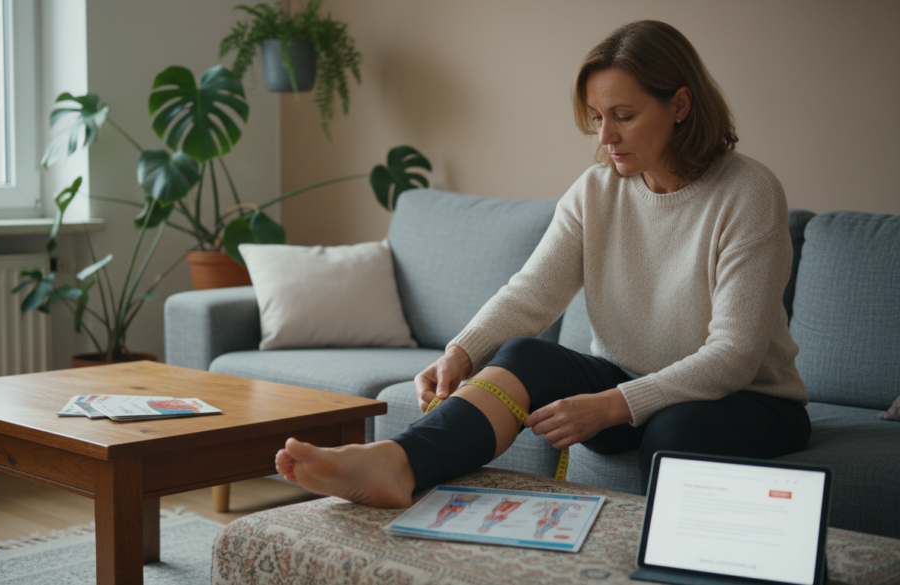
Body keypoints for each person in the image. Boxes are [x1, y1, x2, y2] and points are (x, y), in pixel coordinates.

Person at [274, 20, 811, 508]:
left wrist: (611, 406)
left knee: (675, 431)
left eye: (624, 116)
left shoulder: (749, 193)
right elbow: (531, 294)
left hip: (745, 401)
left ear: (680, 105)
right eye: (598, 118)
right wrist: (460, 353)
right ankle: (397, 462)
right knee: (526, 354)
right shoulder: (596, 191)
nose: (605, 137)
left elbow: (734, 355)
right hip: (623, 383)